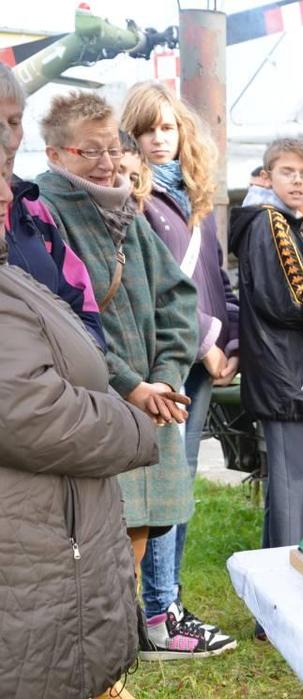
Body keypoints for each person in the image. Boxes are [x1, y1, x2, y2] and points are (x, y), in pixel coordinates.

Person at [34, 91, 233, 660]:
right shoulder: (43, 214)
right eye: (87, 150)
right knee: (101, 530)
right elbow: (66, 321)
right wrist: (131, 386)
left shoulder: (123, 207)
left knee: (146, 520)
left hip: (152, 395)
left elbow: (177, 296)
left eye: (110, 148)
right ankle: (101, 642)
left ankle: (125, 636)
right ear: (53, 154)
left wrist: (167, 376)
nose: (104, 160)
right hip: (94, 401)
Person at [0, 128, 156, 699]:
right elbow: (30, 412)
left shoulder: (17, 268)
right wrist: (134, 423)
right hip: (28, 569)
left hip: (50, 556)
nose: (5, 193)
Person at [121, 80, 239, 653]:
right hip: (166, 359)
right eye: (147, 129)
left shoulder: (192, 195)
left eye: (167, 127)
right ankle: (158, 610)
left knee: (180, 485)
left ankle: (167, 599)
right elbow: (156, 293)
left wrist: (231, 337)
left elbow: (212, 279)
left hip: (205, 358)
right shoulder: (131, 197)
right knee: (164, 488)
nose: (158, 139)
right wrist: (209, 342)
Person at [229, 138, 303, 553]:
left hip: (287, 372)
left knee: (293, 490)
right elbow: (291, 299)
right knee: (298, 493)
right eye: (288, 173)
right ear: (267, 177)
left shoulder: (284, 220)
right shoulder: (271, 221)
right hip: (285, 374)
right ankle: (286, 604)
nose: (298, 181)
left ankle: (270, 610)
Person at [0, 63, 105, 350]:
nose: (9, 139)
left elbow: (81, 299)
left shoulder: (33, 210)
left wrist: (87, 360)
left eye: (14, 122)